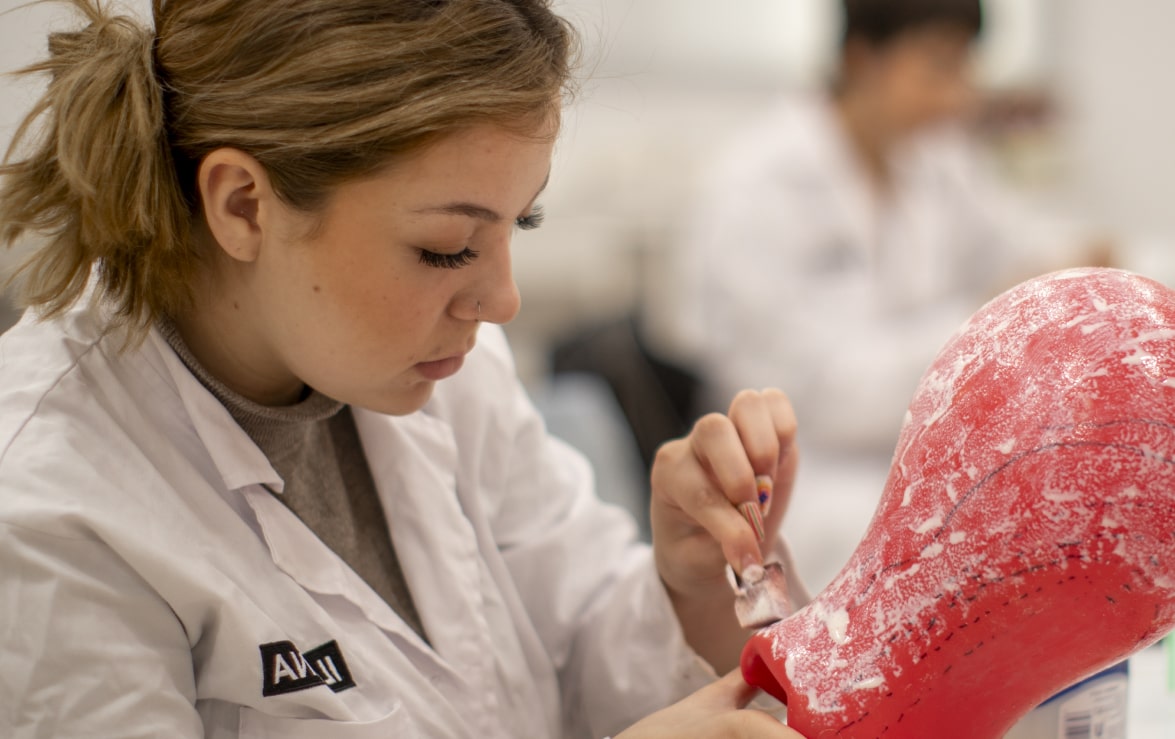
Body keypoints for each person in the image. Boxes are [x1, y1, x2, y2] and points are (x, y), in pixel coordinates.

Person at [0, 1, 808, 737]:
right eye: (446, 248)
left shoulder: (443, 372)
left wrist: (689, 582)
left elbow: (580, 644)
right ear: (243, 203)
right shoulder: (52, 509)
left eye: (519, 223)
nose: (501, 300)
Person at [667, 0, 1111, 458]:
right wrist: (987, 324)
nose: (959, 96)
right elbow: (814, 392)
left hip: (918, 437)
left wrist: (1076, 266)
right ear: (862, 59)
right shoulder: (759, 186)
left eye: (965, 66)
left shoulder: (932, 157)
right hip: (809, 463)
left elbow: (1011, 241)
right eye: (938, 67)